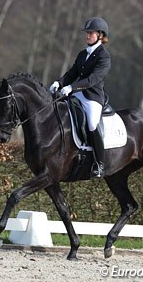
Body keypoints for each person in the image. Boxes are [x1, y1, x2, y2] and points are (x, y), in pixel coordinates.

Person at [50, 17, 111, 178]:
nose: (87, 36)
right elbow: (72, 73)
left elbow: (93, 79)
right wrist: (59, 83)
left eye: (90, 33)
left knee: (92, 123)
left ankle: (99, 163)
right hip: (78, 94)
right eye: (87, 33)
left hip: (93, 97)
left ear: (100, 35)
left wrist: (72, 87)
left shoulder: (104, 57)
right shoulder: (83, 54)